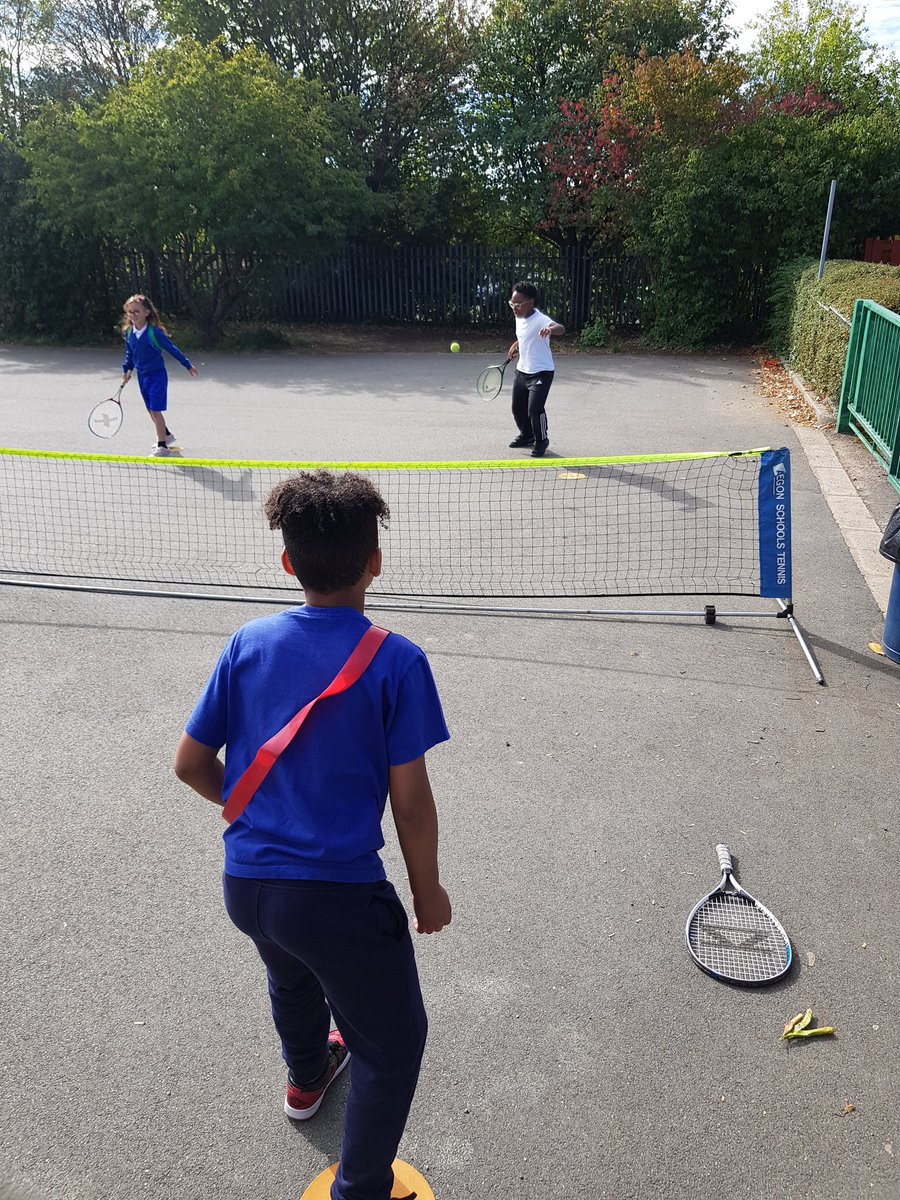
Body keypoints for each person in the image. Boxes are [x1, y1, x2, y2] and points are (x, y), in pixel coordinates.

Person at [174, 470, 451, 1200]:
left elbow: (191, 764)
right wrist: (427, 892)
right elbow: (411, 801)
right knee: (393, 1045)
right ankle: (359, 1189)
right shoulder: (397, 661)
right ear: (375, 562)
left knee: (291, 972)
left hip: (249, 886)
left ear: (287, 562)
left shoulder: (248, 642)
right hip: (338, 899)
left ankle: (305, 1078)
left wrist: (254, 816)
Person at [120, 294, 197, 457]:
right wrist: (127, 369)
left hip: (157, 376)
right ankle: (167, 435)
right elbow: (130, 353)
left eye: (136, 311)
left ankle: (162, 446)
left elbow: (172, 349)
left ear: (146, 312)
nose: (133, 315)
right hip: (142, 377)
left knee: (155, 410)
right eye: (130, 312)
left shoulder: (153, 333)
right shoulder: (129, 333)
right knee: (150, 409)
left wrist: (187, 365)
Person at [505, 280, 566, 457]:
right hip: (522, 370)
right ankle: (527, 435)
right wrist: (516, 344)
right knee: (517, 408)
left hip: (541, 372)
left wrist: (551, 330)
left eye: (517, 304)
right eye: (512, 303)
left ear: (530, 303)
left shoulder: (541, 320)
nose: (514, 307)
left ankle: (541, 440)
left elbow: (560, 328)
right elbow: (525, 335)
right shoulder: (519, 317)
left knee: (534, 410)